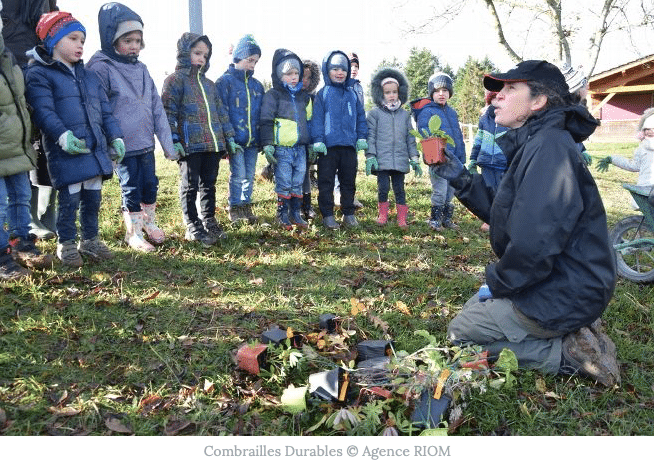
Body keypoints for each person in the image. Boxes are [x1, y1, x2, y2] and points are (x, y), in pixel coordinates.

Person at [431, 60, 619, 387]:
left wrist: (498, 282)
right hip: (562, 281)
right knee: (479, 305)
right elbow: (508, 211)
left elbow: (535, 245)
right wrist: (459, 177)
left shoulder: (549, 148)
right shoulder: (539, 141)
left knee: (461, 332)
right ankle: (573, 328)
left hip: (566, 289)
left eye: (509, 88)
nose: (495, 97)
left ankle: (568, 355)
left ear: (538, 102)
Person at [25, 11, 124, 267]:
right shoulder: (39, 74)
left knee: (92, 199)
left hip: (94, 149)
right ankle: (66, 244)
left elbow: (105, 111)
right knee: (69, 202)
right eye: (73, 38)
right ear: (54, 41)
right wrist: (62, 135)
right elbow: (43, 111)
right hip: (66, 151)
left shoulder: (90, 76)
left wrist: (115, 136)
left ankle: (90, 240)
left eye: (82, 39)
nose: (80, 44)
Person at [86, 2, 177, 253]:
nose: (134, 45)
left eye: (138, 40)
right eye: (127, 40)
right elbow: (98, 108)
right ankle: (133, 232)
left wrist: (168, 145)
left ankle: (149, 223)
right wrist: (106, 141)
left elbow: (156, 108)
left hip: (146, 142)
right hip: (122, 145)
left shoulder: (143, 69)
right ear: (112, 40)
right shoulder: (100, 67)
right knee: (131, 187)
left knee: (150, 184)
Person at [162, 33, 237, 246]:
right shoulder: (175, 81)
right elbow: (168, 112)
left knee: (209, 185)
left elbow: (221, 113)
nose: (201, 58)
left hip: (212, 145)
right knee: (189, 185)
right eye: (197, 53)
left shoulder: (210, 85)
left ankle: (208, 219)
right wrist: (174, 139)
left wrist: (228, 136)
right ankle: (192, 223)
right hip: (189, 145)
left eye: (205, 55)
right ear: (185, 53)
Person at [0, 0, 55, 281]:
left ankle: (22, 240)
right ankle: (1, 255)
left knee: (21, 196)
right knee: (0, 202)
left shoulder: (11, 64)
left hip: (18, 147)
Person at [311, 50, 368, 230]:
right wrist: (318, 139)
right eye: (335, 69)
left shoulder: (352, 94)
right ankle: (327, 214)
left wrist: (361, 136)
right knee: (326, 181)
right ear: (327, 70)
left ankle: (348, 213)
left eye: (343, 69)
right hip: (328, 147)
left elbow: (360, 117)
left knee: (348, 181)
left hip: (349, 147)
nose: (340, 72)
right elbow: (317, 119)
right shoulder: (323, 94)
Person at [260, 49, 311, 229]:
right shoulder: (273, 95)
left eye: (297, 73)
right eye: (289, 73)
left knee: (298, 180)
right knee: (284, 180)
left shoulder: (304, 98)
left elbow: (310, 121)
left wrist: (311, 144)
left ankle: (295, 213)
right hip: (282, 148)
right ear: (280, 75)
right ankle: (282, 214)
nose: (294, 77)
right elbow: (265, 120)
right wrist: (267, 144)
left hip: (300, 148)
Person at [216, 34, 264, 224]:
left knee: (249, 175)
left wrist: (261, 138)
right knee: (239, 175)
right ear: (238, 57)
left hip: (253, 141)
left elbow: (261, 114)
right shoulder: (224, 82)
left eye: (256, 61)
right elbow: (222, 112)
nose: (253, 64)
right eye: (250, 60)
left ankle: (246, 206)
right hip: (235, 140)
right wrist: (228, 138)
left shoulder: (257, 86)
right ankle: (234, 207)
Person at [365, 68, 422, 228]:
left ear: (399, 93)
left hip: (400, 159)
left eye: (394, 92)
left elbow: (410, 138)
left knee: (399, 189)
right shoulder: (374, 114)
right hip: (382, 160)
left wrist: (414, 158)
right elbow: (371, 136)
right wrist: (370, 155)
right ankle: (382, 214)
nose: (391, 95)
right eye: (387, 92)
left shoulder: (405, 115)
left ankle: (401, 218)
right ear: (380, 94)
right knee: (383, 188)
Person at [410, 71, 465, 231]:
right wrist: (435, 153)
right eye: (437, 91)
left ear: (450, 93)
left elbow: (458, 136)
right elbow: (426, 134)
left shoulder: (452, 112)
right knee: (440, 190)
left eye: (445, 90)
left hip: (454, 159)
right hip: (438, 159)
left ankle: (447, 219)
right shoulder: (427, 112)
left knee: (450, 191)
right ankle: (434, 220)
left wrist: (461, 157)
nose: (441, 94)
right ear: (431, 93)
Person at [597, 108, 654, 209]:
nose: (650, 132)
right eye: (647, 129)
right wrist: (613, 159)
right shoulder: (642, 149)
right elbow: (634, 165)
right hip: (646, 191)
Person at [467, 90, 508, 231]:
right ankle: (489, 219)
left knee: (503, 192)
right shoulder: (484, 119)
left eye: (500, 98)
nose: (497, 101)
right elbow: (478, 140)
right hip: (485, 162)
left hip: (503, 163)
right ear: (489, 100)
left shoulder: (509, 118)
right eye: (493, 98)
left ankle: (504, 219)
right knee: (488, 191)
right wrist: (473, 159)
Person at [333, 52, 364, 210]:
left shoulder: (358, 87)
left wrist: (361, 133)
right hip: (339, 132)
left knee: (352, 166)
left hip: (354, 133)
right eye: (350, 66)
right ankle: (338, 194)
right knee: (339, 166)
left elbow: (361, 112)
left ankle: (350, 196)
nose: (354, 69)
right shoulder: (339, 85)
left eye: (356, 66)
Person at [560, 63, 593, 166]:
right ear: (577, 89)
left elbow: (575, 137)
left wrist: (582, 150)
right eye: (584, 85)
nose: (587, 88)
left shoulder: (576, 110)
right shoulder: (562, 114)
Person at [300, 59, 320, 221]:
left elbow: (316, 122)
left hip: (308, 143)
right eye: (302, 76)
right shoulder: (289, 96)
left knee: (305, 173)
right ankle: (293, 206)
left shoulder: (314, 99)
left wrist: (313, 144)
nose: (304, 81)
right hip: (291, 144)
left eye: (308, 77)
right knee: (292, 175)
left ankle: (307, 205)